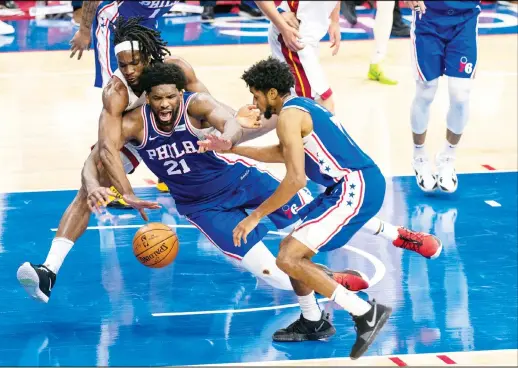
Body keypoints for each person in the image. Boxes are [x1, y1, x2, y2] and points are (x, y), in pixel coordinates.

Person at [16, 62, 369, 307]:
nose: (130, 70)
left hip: (240, 176)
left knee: (309, 218)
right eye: (157, 98)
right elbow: (98, 156)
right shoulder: (124, 109)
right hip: (203, 205)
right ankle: (328, 278)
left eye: (170, 96)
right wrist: (120, 191)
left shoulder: (188, 93)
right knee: (275, 275)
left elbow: (227, 119)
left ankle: (387, 229)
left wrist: (229, 134)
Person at [198, 57, 443, 359]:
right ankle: (313, 321)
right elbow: (280, 152)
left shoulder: (289, 116)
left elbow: (296, 179)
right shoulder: (300, 106)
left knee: (289, 256)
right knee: (292, 252)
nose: (255, 102)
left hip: (353, 187)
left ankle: (365, 312)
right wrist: (231, 148)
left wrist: (255, 217)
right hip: (349, 185)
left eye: (256, 95)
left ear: (271, 93)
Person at [69, 1, 179, 193]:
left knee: (158, 96)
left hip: (146, 27)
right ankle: (109, 178)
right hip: (114, 25)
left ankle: (165, 171)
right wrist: (85, 30)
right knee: (122, 100)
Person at [407, 0, 481, 193]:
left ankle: (448, 157)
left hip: (465, 19)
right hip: (428, 16)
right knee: (426, 89)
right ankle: (419, 155)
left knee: (461, 94)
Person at [254, 1, 341, 113]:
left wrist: (334, 20)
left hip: (309, 37)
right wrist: (281, 21)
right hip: (294, 36)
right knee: (318, 105)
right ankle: (235, 124)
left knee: (285, 106)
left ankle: (235, 124)